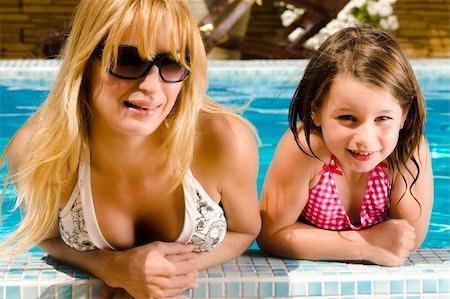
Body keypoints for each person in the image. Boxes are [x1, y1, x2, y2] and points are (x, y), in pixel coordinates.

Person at [0, 0, 261, 297]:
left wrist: (168, 274)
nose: (152, 86)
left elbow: (245, 230)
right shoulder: (40, 151)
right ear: (84, 61)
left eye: (173, 63)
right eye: (127, 60)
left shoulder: (223, 141)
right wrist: (111, 268)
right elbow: (46, 235)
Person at [257, 26, 434, 267]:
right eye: (347, 118)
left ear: (403, 115)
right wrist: (365, 245)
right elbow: (271, 235)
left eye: (383, 119)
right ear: (316, 112)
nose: (365, 138)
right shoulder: (306, 148)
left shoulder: (408, 151)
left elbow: (405, 240)